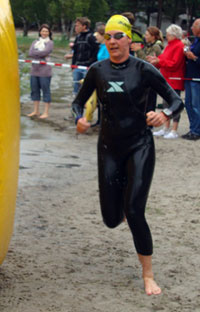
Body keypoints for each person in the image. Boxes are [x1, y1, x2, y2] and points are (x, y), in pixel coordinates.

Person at [72, 15, 184, 295]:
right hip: (109, 147)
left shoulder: (144, 70)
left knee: (135, 211)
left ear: (130, 41)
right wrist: (80, 119)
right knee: (111, 219)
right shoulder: (98, 70)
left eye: (118, 36)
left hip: (139, 146)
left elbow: (176, 100)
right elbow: (77, 102)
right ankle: (123, 199)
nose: (112, 41)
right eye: (108, 36)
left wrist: (163, 113)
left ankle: (148, 275)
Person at [147, 24, 185, 139]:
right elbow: (163, 59)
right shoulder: (169, 45)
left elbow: (174, 63)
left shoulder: (179, 45)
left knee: (175, 103)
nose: (166, 36)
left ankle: (174, 129)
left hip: (175, 78)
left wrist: (159, 61)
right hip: (167, 78)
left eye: (168, 34)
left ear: (174, 35)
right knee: (165, 104)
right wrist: (156, 61)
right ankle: (165, 127)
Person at [131, 26, 164, 114]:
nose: (145, 36)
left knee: (150, 102)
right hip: (145, 77)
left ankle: (150, 122)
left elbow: (147, 62)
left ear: (153, 36)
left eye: (147, 35)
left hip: (152, 78)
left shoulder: (156, 47)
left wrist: (138, 51)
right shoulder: (148, 46)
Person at [27, 24, 54, 119]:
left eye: (46, 31)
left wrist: (36, 54)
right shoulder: (35, 42)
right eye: (43, 31)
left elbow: (46, 52)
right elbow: (30, 53)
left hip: (45, 71)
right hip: (34, 70)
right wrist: (39, 55)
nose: (44, 33)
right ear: (40, 32)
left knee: (45, 90)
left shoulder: (50, 43)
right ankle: (36, 110)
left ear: (49, 32)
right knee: (34, 90)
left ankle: (46, 112)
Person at [182, 18, 200, 140]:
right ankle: (192, 128)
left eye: (194, 26)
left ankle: (196, 131)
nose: (192, 28)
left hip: (197, 78)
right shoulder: (195, 41)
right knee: (188, 104)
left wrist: (194, 58)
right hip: (189, 76)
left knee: (196, 105)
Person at [71, 17, 99, 94]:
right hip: (77, 66)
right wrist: (72, 65)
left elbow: (95, 52)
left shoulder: (91, 37)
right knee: (76, 89)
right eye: (75, 26)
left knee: (87, 89)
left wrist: (90, 64)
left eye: (77, 26)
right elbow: (75, 52)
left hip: (87, 67)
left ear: (84, 26)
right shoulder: (78, 37)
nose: (76, 28)